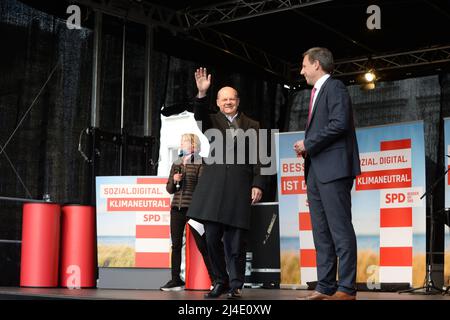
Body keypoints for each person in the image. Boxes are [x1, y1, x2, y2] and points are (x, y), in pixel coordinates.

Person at [187, 68, 264, 299]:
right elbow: (199, 114)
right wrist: (202, 94)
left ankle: (236, 285)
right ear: (218, 103)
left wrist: (258, 184)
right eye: (224, 99)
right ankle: (219, 281)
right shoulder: (211, 120)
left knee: (236, 242)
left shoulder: (253, 125)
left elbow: (260, 157)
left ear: (237, 101)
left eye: (232, 98)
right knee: (210, 238)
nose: (228, 102)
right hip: (213, 189)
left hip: (240, 189)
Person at [293, 47, 361, 300]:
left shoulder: (335, 87)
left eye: (304, 66)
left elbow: (339, 123)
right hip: (317, 171)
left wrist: (308, 144)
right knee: (321, 232)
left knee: (340, 230)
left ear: (317, 65)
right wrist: (308, 147)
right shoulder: (316, 92)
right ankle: (325, 286)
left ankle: (346, 288)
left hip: (334, 170)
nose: (302, 71)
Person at [160, 133, 214, 291]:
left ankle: (216, 280)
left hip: (194, 209)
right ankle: (175, 279)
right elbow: (170, 189)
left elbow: (203, 188)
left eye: (185, 142)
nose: (182, 145)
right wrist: (174, 180)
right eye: (181, 142)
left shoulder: (201, 162)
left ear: (194, 145)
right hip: (176, 208)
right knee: (176, 245)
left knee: (203, 245)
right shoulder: (176, 163)